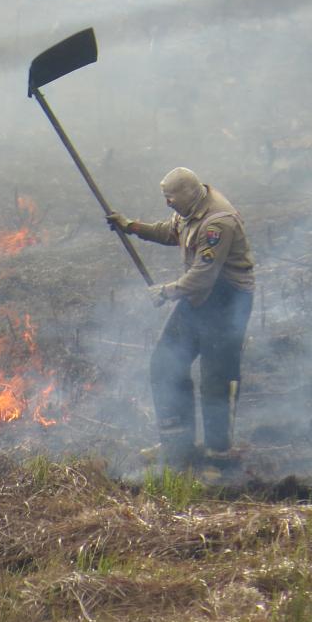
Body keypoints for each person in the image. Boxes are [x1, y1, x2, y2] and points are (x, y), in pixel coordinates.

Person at [106, 168, 255, 468]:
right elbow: (170, 231)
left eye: (170, 197)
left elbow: (203, 274)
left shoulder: (218, 223)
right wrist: (131, 226)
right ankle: (177, 444)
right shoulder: (189, 209)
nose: (167, 203)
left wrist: (166, 291)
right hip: (198, 298)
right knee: (165, 364)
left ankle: (219, 457)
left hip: (226, 302)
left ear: (188, 192)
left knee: (217, 380)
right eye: (165, 197)